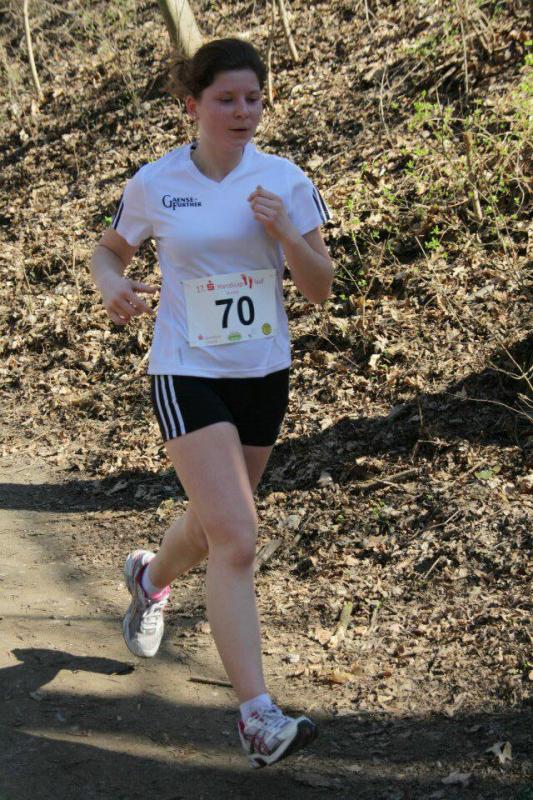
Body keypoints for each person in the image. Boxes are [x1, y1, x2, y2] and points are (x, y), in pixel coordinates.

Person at [90, 37, 334, 769]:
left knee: (213, 522)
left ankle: (150, 578)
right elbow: (109, 250)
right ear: (193, 104)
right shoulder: (157, 182)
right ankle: (257, 718)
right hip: (186, 369)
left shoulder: (285, 180)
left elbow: (319, 288)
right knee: (238, 538)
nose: (243, 111)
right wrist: (112, 285)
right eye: (226, 98)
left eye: (253, 98)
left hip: (261, 373)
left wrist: (284, 230)